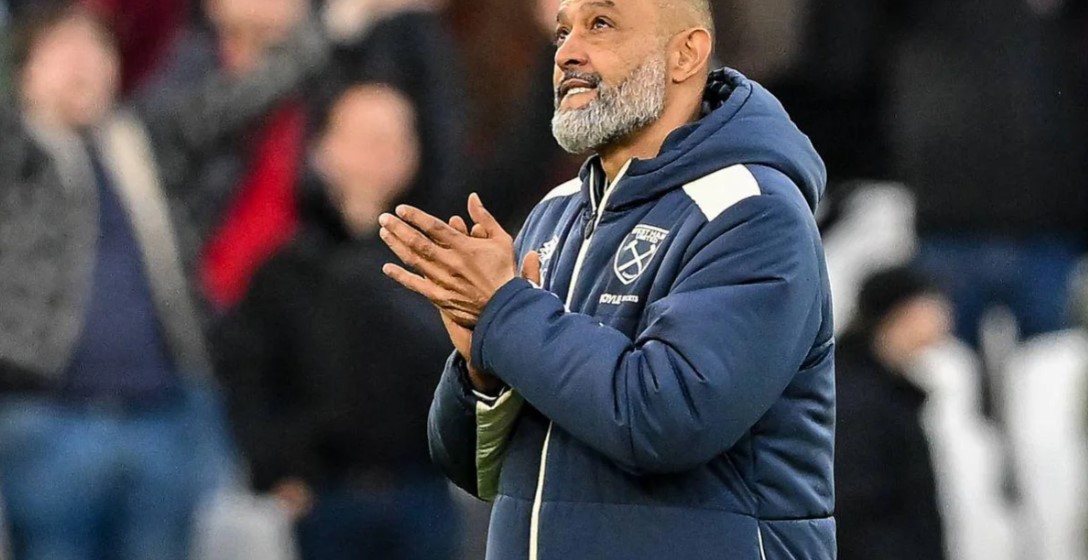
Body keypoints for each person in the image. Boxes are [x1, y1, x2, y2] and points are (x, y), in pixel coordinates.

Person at [379, 0, 836, 557]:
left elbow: (665, 420)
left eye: (601, 24)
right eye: (563, 30)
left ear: (685, 53)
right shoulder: (554, 213)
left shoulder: (753, 212)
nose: (568, 51)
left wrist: (506, 311)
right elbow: (476, 473)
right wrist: (481, 369)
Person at [0, 2, 328, 558]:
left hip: (167, 419)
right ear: (23, 72)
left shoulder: (146, 142)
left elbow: (246, 96)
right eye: (60, 49)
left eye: (95, 48)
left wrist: (332, 22)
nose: (82, 64)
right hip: (51, 424)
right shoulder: (17, 159)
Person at [213, 84, 460, 560]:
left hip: (424, 490)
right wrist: (278, 468)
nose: (385, 152)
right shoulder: (285, 270)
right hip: (327, 497)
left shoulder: (441, 260)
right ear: (324, 149)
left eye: (398, 137)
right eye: (368, 137)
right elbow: (245, 375)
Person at [834, 267, 950, 560]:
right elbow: (857, 510)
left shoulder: (888, 389)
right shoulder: (861, 400)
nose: (944, 316)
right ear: (900, 314)